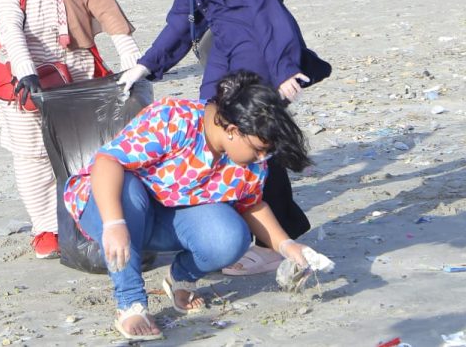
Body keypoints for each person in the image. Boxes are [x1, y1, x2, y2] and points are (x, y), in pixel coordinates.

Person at [117, 0, 331, 276]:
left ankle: (271, 243)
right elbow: (184, 15)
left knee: (252, 138)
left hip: (256, 38)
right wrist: (147, 64)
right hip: (223, 42)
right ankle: (234, 232)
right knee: (212, 128)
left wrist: (283, 64)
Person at [64, 70, 323, 341]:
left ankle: (181, 277)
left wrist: (286, 245)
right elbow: (107, 161)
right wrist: (114, 223)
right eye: (258, 149)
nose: (262, 157)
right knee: (130, 192)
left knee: (231, 236)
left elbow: (251, 205)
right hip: (107, 206)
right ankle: (130, 302)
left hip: (163, 218)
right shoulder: (175, 119)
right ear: (233, 130)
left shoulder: (249, 164)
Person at [0, 0, 141, 260]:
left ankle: (87, 218)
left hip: (76, 75)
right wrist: (25, 70)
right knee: (34, 157)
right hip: (23, 80)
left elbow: (108, 12)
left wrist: (132, 59)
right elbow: (9, 26)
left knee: (84, 151)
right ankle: (46, 229)